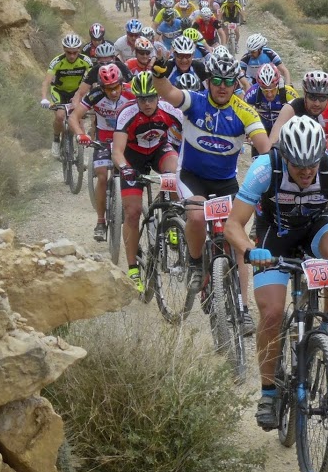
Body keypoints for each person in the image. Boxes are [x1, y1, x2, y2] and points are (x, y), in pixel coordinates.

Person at [225, 116, 328, 428]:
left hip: (315, 229)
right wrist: (250, 250)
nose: (308, 172)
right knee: (271, 313)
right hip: (275, 236)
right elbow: (233, 224)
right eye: (299, 166)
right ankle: (268, 392)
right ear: (285, 157)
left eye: (312, 164)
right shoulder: (264, 169)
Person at [150, 51, 272, 334]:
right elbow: (167, 91)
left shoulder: (244, 110)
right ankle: (194, 264)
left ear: (234, 84)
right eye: (216, 79)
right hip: (192, 178)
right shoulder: (196, 101)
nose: (222, 85)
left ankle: (242, 310)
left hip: (225, 183)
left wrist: (271, 177)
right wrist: (159, 73)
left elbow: (265, 149)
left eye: (228, 81)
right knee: (195, 215)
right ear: (208, 81)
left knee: (237, 241)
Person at [111, 71, 183, 293]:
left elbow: (190, 134)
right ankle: (133, 268)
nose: (147, 103)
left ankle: (172, 216)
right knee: (132, 212)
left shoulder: (169, 109)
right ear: (136, 98)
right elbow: (117, 151)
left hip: (159, 150)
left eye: (151, 97)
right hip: (133, 157)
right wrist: (125, 169)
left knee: (174, 172)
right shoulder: (127, 113)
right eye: (142, 98)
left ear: (158, 96)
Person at [70, 64, 135, 240]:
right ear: (101, 86)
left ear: (122, 83)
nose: (113, 92)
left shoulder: (131, 92)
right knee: (101, 177)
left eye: (116, 87)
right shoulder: (95, 95)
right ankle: (100, 221)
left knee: (130, 175)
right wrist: (80, 134)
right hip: (104, 138)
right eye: (109, 88)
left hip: (127, 138)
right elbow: (74, 117)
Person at [269, 70, 328, 157]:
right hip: (294, 157)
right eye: (312, 97)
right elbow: (271, 144)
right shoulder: (291, 109)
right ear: (304, 93)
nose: (317, 103)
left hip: (321, 156)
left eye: (322, 98)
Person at [40, 34, 92, 159]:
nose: (72, 56)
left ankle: (80, 155)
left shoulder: (86, 61)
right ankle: (56, 140)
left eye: (75, 52)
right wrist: (44, 98)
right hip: (59, 91)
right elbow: (46, 82)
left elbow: (93, 79)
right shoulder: (57, 62)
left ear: (79, 49)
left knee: (79, 118)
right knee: (60, 116)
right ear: (64, 49)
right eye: (69, 52)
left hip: (76, 92)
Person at [244, 63, 299, 136]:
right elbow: (243, 114)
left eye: (273, 90)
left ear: (278, 84)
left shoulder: (288, 93)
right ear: (259, 86)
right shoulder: (252, 93)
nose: (269, 94)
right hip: (262, 131)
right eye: (265, 90)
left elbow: (301, 115)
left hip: (284, 130)